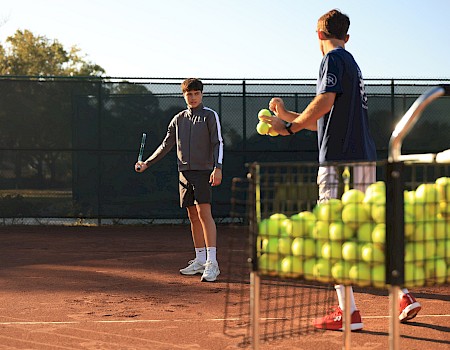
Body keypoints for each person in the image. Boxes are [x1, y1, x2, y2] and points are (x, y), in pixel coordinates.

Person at [259, 9, 421, 331]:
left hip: (337, 162)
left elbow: (324, 103)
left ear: (318, 36)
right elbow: (324, 118)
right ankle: (402, 294)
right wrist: (286, 117)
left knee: (330, 234)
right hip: (362, 158)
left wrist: (287, 129)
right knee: (367, 231)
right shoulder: (352, 63)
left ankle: (349, 312)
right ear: (346, 37)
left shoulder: (331, 60)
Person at [135, 78, 224, 282]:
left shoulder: (210, 116)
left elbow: (218, 142)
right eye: (188, 94)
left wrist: (217, 168)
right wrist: (147, 163)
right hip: (184, 172)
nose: (192, 98)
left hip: (203, 171)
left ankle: (213, 262)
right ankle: (200, 260)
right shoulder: (178, 119)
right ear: (184, 95)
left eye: (196, 94)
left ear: (201, 94)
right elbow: (166, 145)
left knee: (204, 214)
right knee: (193, 216)